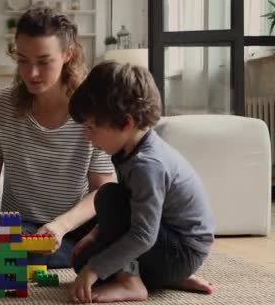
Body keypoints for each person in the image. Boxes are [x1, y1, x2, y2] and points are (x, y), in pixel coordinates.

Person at [0, 7, 115, 269]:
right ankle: (85, 255)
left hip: (76, 224)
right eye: (22, 60)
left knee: (124, 228)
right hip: (23, 225)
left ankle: (83, 250)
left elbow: (102, 189)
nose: (31, 73)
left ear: (68, 54)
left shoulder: (93, 110)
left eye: (43, 61)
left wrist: (60, 226)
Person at [68, 61, 214, 303]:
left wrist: (95, 269)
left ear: (126, 123)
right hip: (166, 242)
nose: (87, 136)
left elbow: (143, 235)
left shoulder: (147, 165)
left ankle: (131, 284)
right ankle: (163, 278)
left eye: (92, 127)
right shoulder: (129, 149)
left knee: (109, 198)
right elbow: (130, 213)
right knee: (83, 260)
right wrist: (95, 236)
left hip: (182, 250)